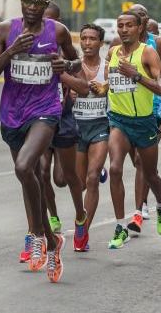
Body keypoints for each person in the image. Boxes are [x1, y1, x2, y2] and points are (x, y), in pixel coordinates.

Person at [0, 0, 72, 283]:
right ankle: (46, 236)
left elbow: (75, 63)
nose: (32, 8)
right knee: (26, 176)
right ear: (22, 2)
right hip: (12, 114)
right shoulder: (6, 31)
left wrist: (64, 65)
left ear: (46, 6)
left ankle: (37, 234)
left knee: (24, 166)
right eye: (27, 1)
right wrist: (10, 52)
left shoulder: (57, 32)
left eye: (38, 3)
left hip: (45, 110)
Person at [99, 11, 161, 249]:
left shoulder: (148, 52)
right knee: (115, 168)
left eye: (129, 25)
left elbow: (160, 86)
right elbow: (112, 82)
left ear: (140, 28)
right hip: (118, 120)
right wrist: (103, 87)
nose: (124, 29)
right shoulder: (112, 53)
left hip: (144, 121)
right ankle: (121, 227)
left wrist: (137, 75)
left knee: (150, 173)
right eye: (120, 25)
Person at [36, 1, 88, 253]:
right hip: (38, 118)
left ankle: (80, 214)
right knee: (41, 171)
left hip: (63, 119)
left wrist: (63, 72)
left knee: (63, 178)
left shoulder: (67, 50)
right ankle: (52, 218)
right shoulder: (29, 46)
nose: (43, 25)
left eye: (50, 21)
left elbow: (84, 87)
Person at [72, 23, 110, 251]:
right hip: (77, 128)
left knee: (92, 178)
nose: (87, 43)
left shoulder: (107, 68)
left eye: (92, 39)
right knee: (79, 184)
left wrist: (106, 88)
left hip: (100, 127)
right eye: (84, 38)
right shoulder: (73, 67)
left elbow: (119, 92)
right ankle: (80, 215)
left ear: (100, 43)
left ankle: (83, 232)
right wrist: (72, 94)